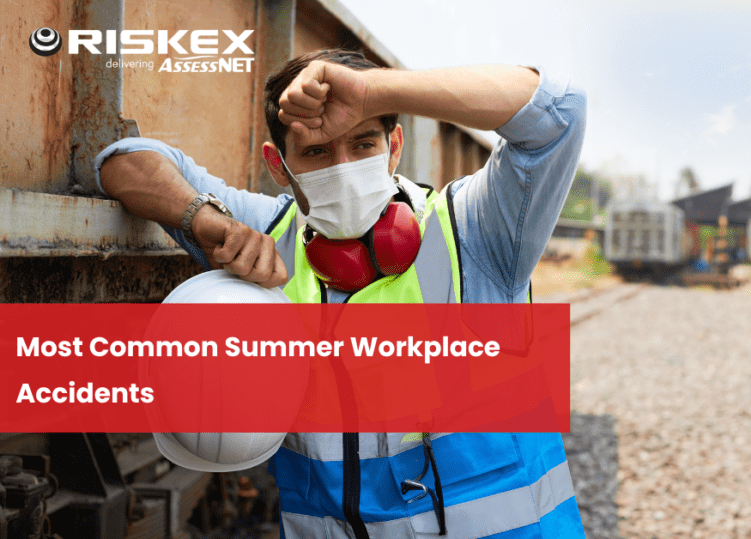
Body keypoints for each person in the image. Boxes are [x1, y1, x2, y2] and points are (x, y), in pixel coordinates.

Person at [95, 49, 587, 538]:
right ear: (278, 167)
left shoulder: (475, 233)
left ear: (395, 146)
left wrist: (375, 91)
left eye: (363, 143)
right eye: (316, 152)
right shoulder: (269, 236)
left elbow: (558, 110)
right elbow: (121, 162)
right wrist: (203, 220)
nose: (343, 166)